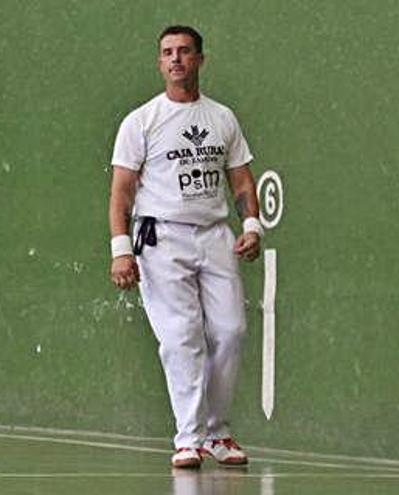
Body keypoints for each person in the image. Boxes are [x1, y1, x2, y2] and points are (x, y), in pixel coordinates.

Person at [108, 26, 263, 469]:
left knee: (231, 331)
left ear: (200, 59)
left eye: (184, 52)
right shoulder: (141, 121)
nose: (175, 59)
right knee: (181, 338)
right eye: (167, 53)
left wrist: (251, 224)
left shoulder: (222, 118)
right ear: (159, 63)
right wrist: (121, 249)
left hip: (214, 235)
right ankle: (190, 437)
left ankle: (217, 432)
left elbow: (240, 179)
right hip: (161, 238)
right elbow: (120, 192)